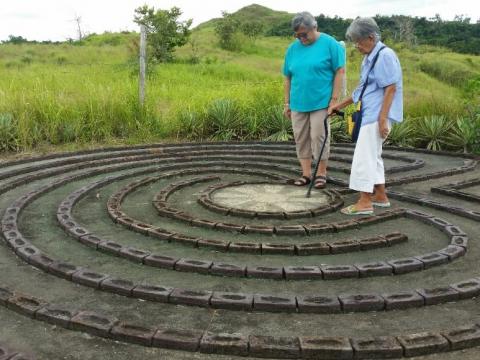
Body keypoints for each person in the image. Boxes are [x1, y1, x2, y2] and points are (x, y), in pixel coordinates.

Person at [330, 17, 403, 215]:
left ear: (371, 37)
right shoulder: (370, 57)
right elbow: (361, 90)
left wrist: (382, 120)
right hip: (370, 113)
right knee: (374, 156)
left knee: (364, 157)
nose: (357, 46)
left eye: (359, 41)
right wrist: (337, 105)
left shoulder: (385, 55)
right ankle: (380, 196)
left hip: (376, 115)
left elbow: (391, 89)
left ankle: (364, 202)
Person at [283, 12, 345, 189]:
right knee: (300, 138)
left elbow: (339, 72)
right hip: (298, 102)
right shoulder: (292, 49)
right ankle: (306, 174)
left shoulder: (330, 44)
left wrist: (334, 101)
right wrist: (287, 103)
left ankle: (321, 173)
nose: (301, 38)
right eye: (297, 35)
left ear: (314, 27)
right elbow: (287, 76)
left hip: (321, 101)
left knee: (319, 136)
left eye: (304, 34)